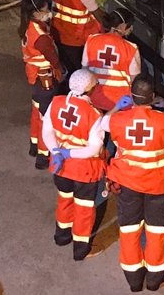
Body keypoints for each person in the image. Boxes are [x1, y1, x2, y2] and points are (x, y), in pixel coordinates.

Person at [102, 76, 164, 292]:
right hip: (159, 184)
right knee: (157, 230)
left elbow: (102, 124)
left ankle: (133, 279)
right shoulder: (163, 120)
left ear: (131, 96)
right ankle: (154, 279)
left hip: (128, 183)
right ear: (152, 97)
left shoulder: (119, 119)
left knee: (130, 229)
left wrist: (116, 107)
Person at [41, 69, 105, 261]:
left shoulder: (56, 102)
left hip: (61, 167)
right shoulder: (94, 115)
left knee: (64, 200)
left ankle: (61, 237)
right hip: (84, 171)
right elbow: (94, 149)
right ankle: (81, 250)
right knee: (84, 209)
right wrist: (72, 153)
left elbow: (47, 132)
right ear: (90, 90)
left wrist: (58, 152)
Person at [20, 0, 64, 169]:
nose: (48, 12)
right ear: (36, 13)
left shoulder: (28, 27)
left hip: (35, 77)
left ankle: (33, 145)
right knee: (47, 119)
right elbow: (53, 58)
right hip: (45, 79)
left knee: (36, 113)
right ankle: (43, 156)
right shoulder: (42, 37)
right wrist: (60, 71)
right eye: (46, 9)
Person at [47, 0, 106, 73]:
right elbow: (99, 16)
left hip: (58, 32)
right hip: (75, 39)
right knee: (77, 70)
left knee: (65, 64)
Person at [82, 8, 141, 112]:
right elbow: (135, 79)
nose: (131, 28)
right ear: (122, 26)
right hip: (120, 102)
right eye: (130, 25)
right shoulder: (131, 48)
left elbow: (84, 70)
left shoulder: (92, 40)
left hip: (94, 99)